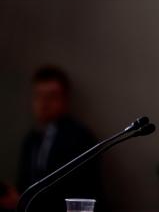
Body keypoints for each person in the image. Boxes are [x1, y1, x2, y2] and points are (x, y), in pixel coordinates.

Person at [17, 66, 103, 212]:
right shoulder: (31, 138)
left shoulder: (79, 136)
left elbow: (78, 187)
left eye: (51, 97)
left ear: (65, 99)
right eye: (39, 96)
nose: (44, 104)